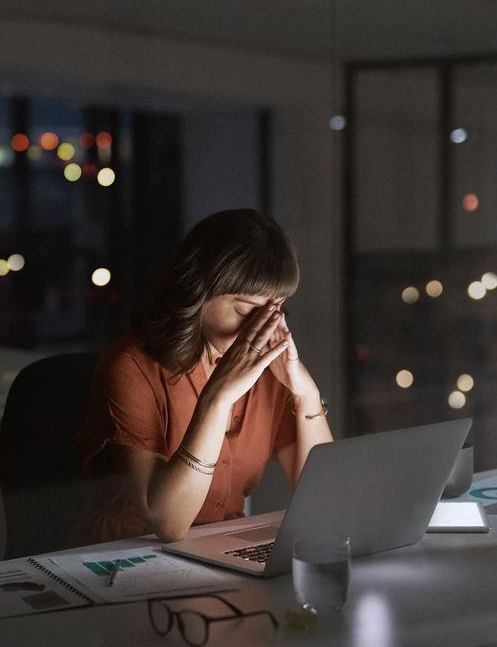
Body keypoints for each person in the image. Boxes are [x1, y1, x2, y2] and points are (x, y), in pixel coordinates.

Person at [68, 209, 333, 546]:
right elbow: (169, 523)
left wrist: (305, 393)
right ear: (198, 292)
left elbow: (323, 497)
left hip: (218, 548)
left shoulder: (269, 374)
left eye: (276, 308)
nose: (262, 326)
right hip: (124, 558)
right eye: (246, 309)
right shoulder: (131, 367)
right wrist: (218, 397)